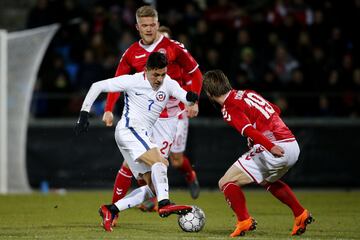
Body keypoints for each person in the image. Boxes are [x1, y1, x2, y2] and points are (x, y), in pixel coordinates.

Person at [74, 52, 199, 232]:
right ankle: (164, 203)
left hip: (138, 135)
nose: (159, 79)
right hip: (128, 130)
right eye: (155, 74)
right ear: (146, 70)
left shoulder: (169, 83)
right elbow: (97, 86)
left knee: (151, 187)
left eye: (162, 74)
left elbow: (184, 96)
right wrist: (84, 114)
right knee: (160, 162)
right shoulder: (133, 81)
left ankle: (110, 209)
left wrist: (191, 97)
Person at [102, 5, 202, 213]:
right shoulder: (132, 53)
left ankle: (183, 179)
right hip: (144, 117)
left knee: (172, 160)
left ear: (157, 24)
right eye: (144, 25)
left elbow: (195, 74)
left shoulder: (174, 48)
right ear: (137, 27)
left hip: (172, 116)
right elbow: (116, 82)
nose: (149, 29)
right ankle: (118, 210)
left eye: (152, 25)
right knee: (130, 164)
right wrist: (109, 108)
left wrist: (194, 100)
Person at [202, 69, 314, 237]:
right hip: (292, 145)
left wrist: (269, 145)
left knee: (225, 182)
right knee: (268, 180)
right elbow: (275, 109)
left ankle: (244, 221)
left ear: (209, 94)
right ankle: (300, 214)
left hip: (275, 148)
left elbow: (247, 129)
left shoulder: (229, 107)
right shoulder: (246, 93)